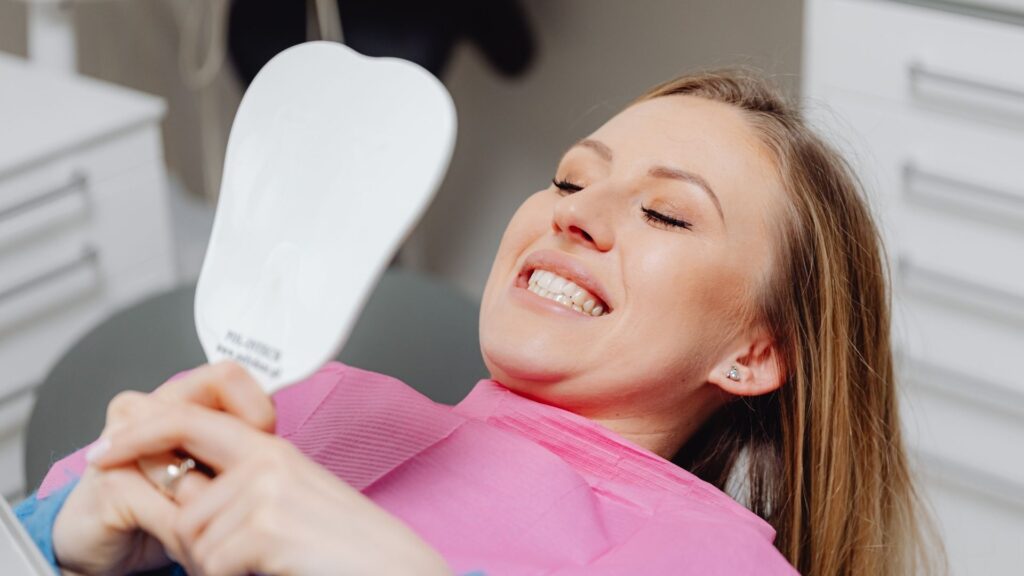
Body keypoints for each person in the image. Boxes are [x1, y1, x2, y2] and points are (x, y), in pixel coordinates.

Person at [16, 69, 939, 575]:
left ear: (754, 351)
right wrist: (60, 536)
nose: (571, 212)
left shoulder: (708, 559)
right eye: (572, 178)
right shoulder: (298, 402)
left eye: (666, 214)